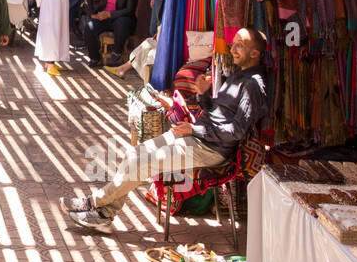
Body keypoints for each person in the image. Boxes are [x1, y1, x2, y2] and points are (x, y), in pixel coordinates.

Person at [63, 28, 270, 232]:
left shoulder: (253, 85)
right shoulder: (237, 75)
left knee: (139, 164)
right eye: (234, 43)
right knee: (133, 154)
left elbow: (236, 131)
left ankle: (94, 203)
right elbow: (217, 114)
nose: (233, 48)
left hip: (210, 149)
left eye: (240, 45)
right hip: (197, 136)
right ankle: (104, 214)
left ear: (255, 53)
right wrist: (203, 96)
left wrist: (193, 130)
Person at [81, 0, 139, 68]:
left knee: (122, 22)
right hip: (103, 18)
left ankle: (117, 51)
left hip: (120, 19)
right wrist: (92, 14)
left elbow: (129, 10)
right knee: (89, 27)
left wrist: (109, 14)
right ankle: (95, 58)